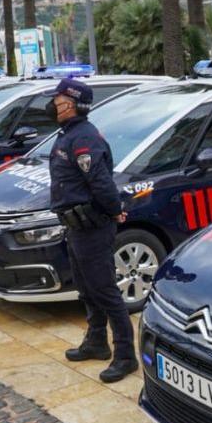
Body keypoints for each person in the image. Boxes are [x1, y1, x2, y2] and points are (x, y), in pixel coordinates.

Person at [48, 77, 136, 383]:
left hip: (92, 227)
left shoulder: (84, 138)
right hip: (75, 227)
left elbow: (100, 183)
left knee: (105, 291)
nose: (54, 106)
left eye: (59, 102)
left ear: (71, 104)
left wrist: (116, 210)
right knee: (86, 289)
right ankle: (96, 342)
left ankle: (125, 355)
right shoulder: (69, 134)